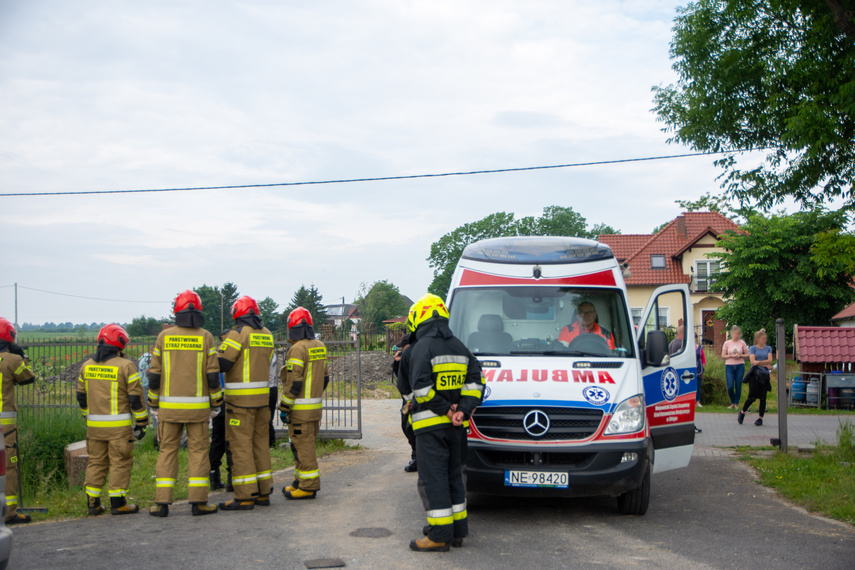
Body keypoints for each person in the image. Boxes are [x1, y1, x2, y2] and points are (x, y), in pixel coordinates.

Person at [406, 294, 484, 553]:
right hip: (456, 428)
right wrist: (462, 411)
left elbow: (420, 388)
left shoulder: (422, 347)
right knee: (454, 475)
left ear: (419, 319)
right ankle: (458, 531)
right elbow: (476, 383)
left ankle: (439, 535)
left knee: (433, 477)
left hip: (431, 427)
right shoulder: (461, 347)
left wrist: (445, 410)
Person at [147, 290, 222, 517]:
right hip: (198, 410)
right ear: (198, 310)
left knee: (167, 450)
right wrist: (216, 402)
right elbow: (212, 374)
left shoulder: (164, 337)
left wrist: (153, 403)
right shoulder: (206, 337)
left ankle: (162, 504)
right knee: (198, 451)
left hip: (169, 409)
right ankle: (199, 503)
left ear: (176, 311)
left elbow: (154, 374)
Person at [77, 324, 148, 516]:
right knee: (120, 462)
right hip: (118, 429)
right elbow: (135, 397)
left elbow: (81, 396)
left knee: (96, 462)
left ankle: (93, 504)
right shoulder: (125, 366)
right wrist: (141, 422)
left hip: (94, 428)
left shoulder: (86, 366)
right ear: (120, 344)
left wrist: (86, 415)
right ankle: (118, 504)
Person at [216, 296, 276, 510]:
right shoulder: (267, 333)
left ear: (237, 313)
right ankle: (263, 492)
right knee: (260, 445)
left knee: (240, 447)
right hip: (262, 401)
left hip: (240, 403)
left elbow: (222, 363)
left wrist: (216, 351)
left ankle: (244, 496)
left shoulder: (238, 333)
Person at [278, 307, 329, 500]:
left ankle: (308, 487)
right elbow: (325, 379)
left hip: (300, 411)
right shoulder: (319, 345)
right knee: (302, 446)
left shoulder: (297, 349)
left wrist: (284, 407)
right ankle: (298, 482)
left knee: (304, 448)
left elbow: (294, 382)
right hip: (314, 409)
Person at [0, 317, 35, 525]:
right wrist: (22, 356)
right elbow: (28, 378)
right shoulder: (11, 360)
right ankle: (9, 513)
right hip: (4, 426)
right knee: (8, 467)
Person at [738, 329, 774, 427]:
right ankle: (742, 412)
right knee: (752, 397)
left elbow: (770, 360)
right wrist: (764, 363)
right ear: (758, 339)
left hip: (764, 375)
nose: (764, 340)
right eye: (763, 339)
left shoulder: (768, 348)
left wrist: (759, 362)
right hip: (755, 375)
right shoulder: (753, 348)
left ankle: (760, 418)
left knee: (763, 397)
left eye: (765, 339)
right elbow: (753, 361)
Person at [393, 333, 417, 472]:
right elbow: (400, 378)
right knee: (407, 427)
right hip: (407, 400)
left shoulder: (418, 356)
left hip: (417, 399)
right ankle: (416, 457)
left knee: (414, 429)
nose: (403, 350)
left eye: (405, 347)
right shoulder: (405, 357)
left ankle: (417, 459)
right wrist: (397, 363)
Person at [722, 326, 750, 410]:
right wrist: (730, 355)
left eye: (738, 334)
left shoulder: (742, 343)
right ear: (732, 334)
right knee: (730, 386)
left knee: (738, 384)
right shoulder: (727, 343)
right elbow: (723, 355)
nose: (737, 335)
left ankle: (736, 403)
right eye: (735, 334)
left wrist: (740, 355)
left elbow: (747, 354)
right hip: (729, 365)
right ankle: (732, 402)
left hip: (740, 365)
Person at [268, 350, 279, 448]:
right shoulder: (272, 352)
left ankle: (270, 443)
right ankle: (271, 443)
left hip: (266, 388)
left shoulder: (265, 352)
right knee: (268, 419)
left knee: (265, 419)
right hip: (272, 388)